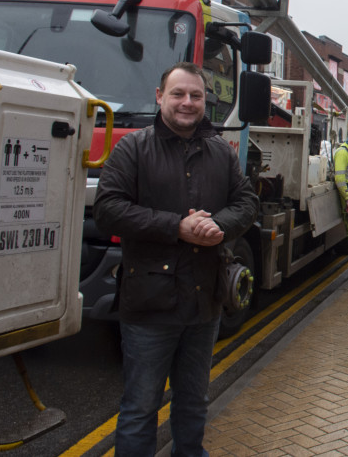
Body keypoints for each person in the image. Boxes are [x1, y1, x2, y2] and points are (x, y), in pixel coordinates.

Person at [94, 62, 258, 456]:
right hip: (150, 304)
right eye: (178, 94)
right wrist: (177, 227)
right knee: (140, 407)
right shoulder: (132, 148)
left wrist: (217, 225)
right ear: (160, 97)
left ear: (206, 102)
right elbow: (108, 209)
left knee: (193, 401)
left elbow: (247, 201)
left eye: (196, 96)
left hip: (204, 304)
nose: (187, 103)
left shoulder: (220, 152)